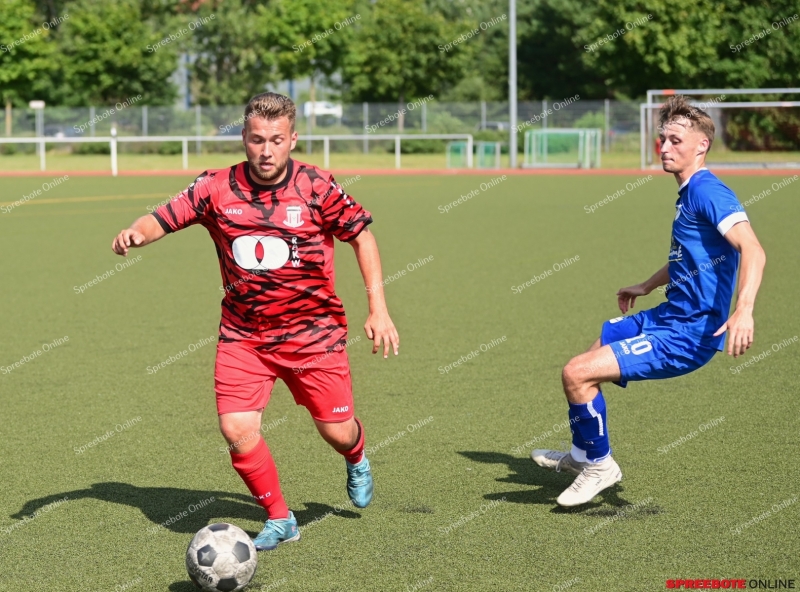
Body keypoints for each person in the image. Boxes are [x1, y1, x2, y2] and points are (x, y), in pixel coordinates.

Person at [111, 92, 399, 548]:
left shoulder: (317, 187)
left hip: (314, 336)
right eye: (257, 139)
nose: (267, 150)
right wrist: (136, 233)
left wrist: (378, 309)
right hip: (244, 335)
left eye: (277, 140)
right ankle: (280, 518)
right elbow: (161, 217)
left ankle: (357, 454)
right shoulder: (214, 187)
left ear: (293, 139)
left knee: (337, 432)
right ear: (244, 137)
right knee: (236, 428)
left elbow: (362, 237)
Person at [531, 95, 766, 506]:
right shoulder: (689, 193)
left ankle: (602, 466)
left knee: (576, 373)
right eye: (662, 139)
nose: (664, 147)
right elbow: (690, 259)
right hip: (665, 316)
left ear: (700, 146)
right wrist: (646, 284)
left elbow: (752, 249)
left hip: (689, 335)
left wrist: (744, 310)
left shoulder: (709, 190)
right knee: (590, 357)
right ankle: (585, 455)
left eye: (675, 140)